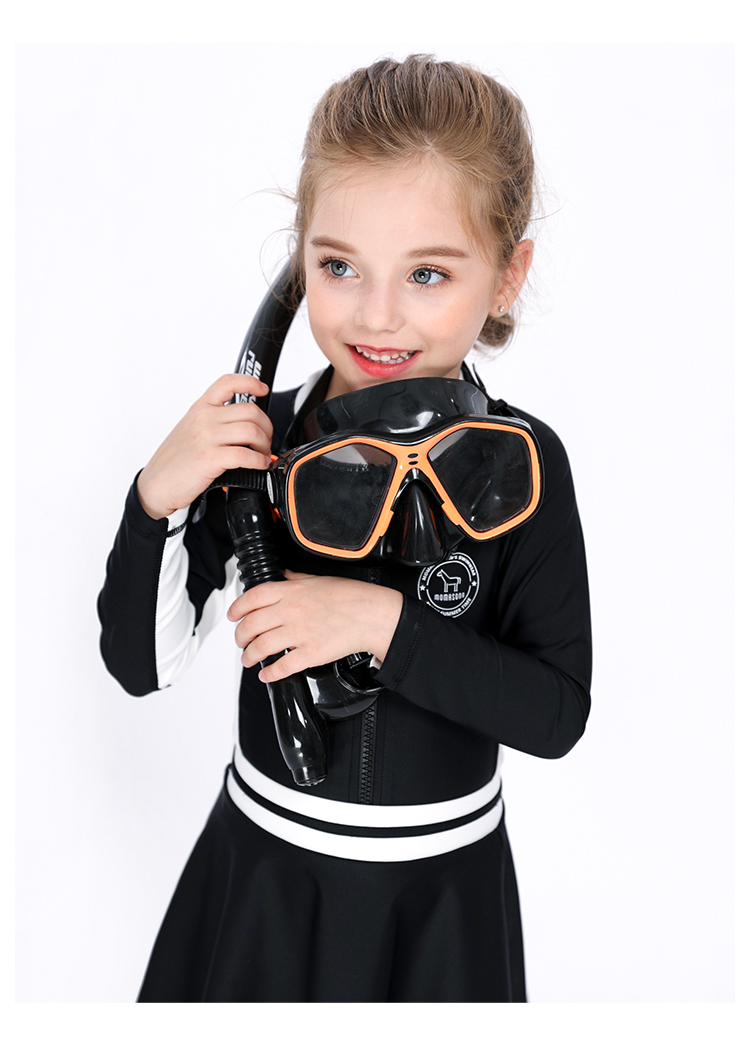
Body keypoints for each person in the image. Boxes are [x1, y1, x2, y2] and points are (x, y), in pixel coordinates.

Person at [98, 54, 592, 1002]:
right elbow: (141, 665)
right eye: (338, 266)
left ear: (507, 276)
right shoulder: (254, 449)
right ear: (300, 261)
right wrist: (157, 499)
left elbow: (556, 711)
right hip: (264, 890)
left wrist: (381, 626)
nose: (377, 315)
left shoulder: (528, 467)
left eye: (428, 273)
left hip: (442, 909)